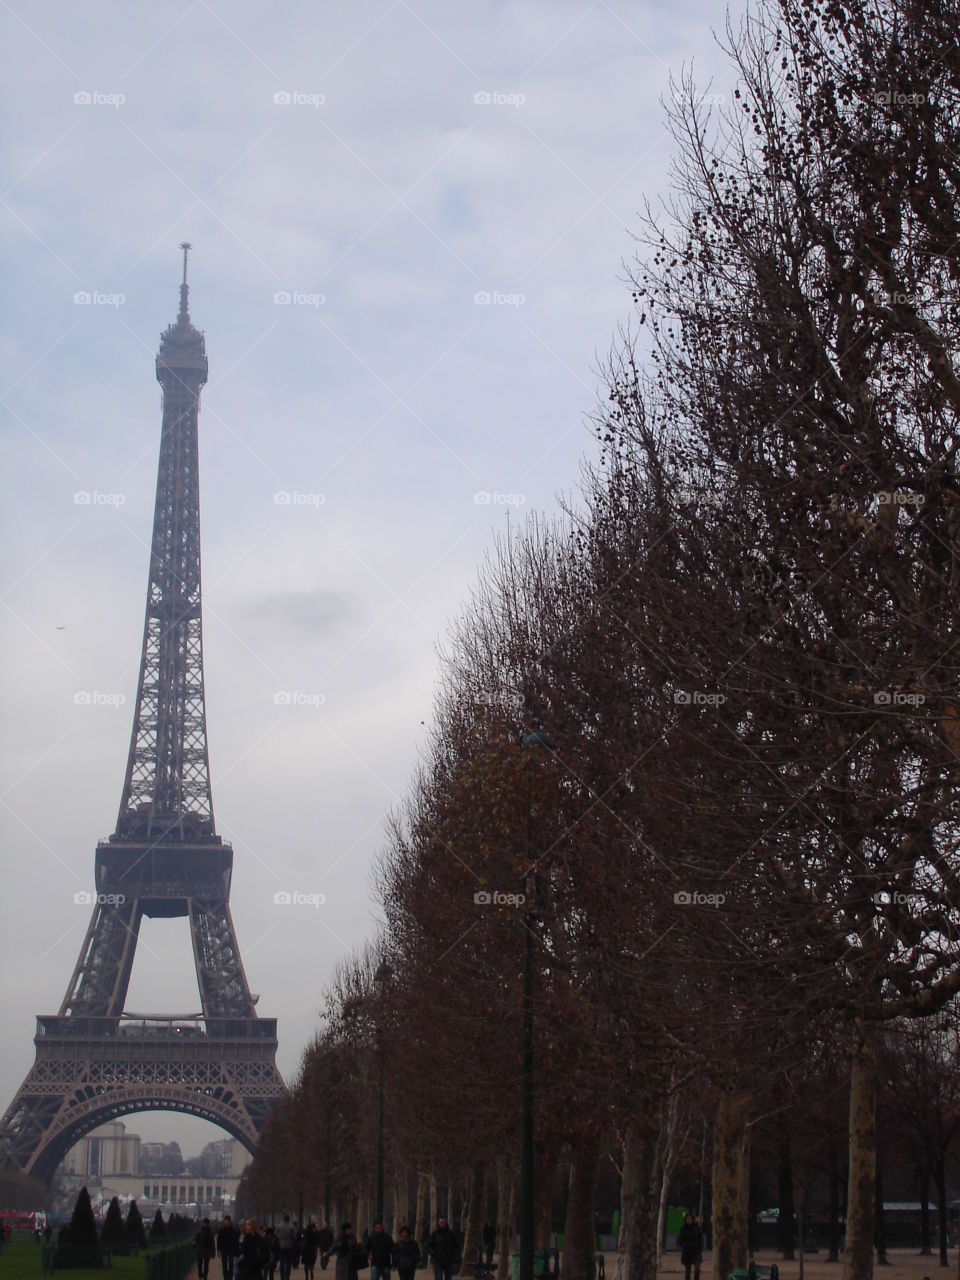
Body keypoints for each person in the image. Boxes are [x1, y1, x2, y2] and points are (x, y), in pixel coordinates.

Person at [677, 1213, 703, 1280]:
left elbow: (700, 1239)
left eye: (690, 1218)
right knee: (687, 1271)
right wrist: (686, 1246)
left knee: (697, 1268)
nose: (689, 1220)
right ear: (685, 1220)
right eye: (687, 1219)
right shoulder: (683, 1229)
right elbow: (680, 1241)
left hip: (696, 1252)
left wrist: (700, 1248)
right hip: (687, 1252)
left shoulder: (696, 1228)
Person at [218, 1215, 240, 1280]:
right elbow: (219, 1240)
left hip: (231, 1250)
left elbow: (236, 1241)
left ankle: (229, 1277)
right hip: (224, 1249)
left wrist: (236, 1250)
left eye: (228, 1221)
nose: (227, 1222)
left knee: (231, 1265)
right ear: (224, 1222)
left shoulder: (233, 1230)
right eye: (226, 1221)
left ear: (230, 1222)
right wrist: (218, 1249)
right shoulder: (221, 1230)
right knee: (224, 1266)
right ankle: (225, 1277)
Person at [278, 1212, 297, 1280]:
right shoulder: (291, 1227)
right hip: (289, 1245)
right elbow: (294, 1236)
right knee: (288, 1261)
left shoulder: (279, 1226)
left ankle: (282, 1276)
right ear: (289, 1219)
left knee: (282, 1261)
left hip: (281, 1245)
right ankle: (287, 1275)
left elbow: (276, 1234)